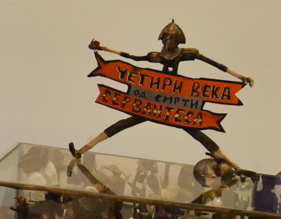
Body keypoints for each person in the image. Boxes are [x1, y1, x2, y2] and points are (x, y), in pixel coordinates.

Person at [68, 21, 253, 163]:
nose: (168, 41)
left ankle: (234, 165)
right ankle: (82, 150)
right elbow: (133, 58)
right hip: (154, 102)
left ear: (178, 40)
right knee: (122, 124)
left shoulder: (188, 53)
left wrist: (240, 77)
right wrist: (104, 49)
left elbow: (215, 64)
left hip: (176, 105)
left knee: (197, 133)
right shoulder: (156, 56)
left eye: (171, 39)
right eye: (165, 38)